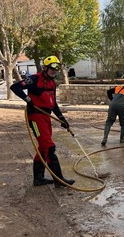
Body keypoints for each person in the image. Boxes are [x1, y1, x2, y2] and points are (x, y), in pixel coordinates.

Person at [10, 56, 75, 188]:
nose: (53, 72)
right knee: (49, 147)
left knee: (43, 147)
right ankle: (59, 180)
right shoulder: (34, 79)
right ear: (45, 68)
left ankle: (38, 179)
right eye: (51, 69)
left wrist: (62, 118)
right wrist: (28, 99)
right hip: (35, 117)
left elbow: (53, 103)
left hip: (46, 117)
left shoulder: (52, 83)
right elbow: (15, 87)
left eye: (55, 70)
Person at [101, 77, 124, 145]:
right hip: (122, 107)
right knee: (123, 124)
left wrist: (112, 100)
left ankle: (105, 138)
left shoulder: (118, 87)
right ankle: (122, 139)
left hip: (112, 106)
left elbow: (108, 92)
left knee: (109, 122)